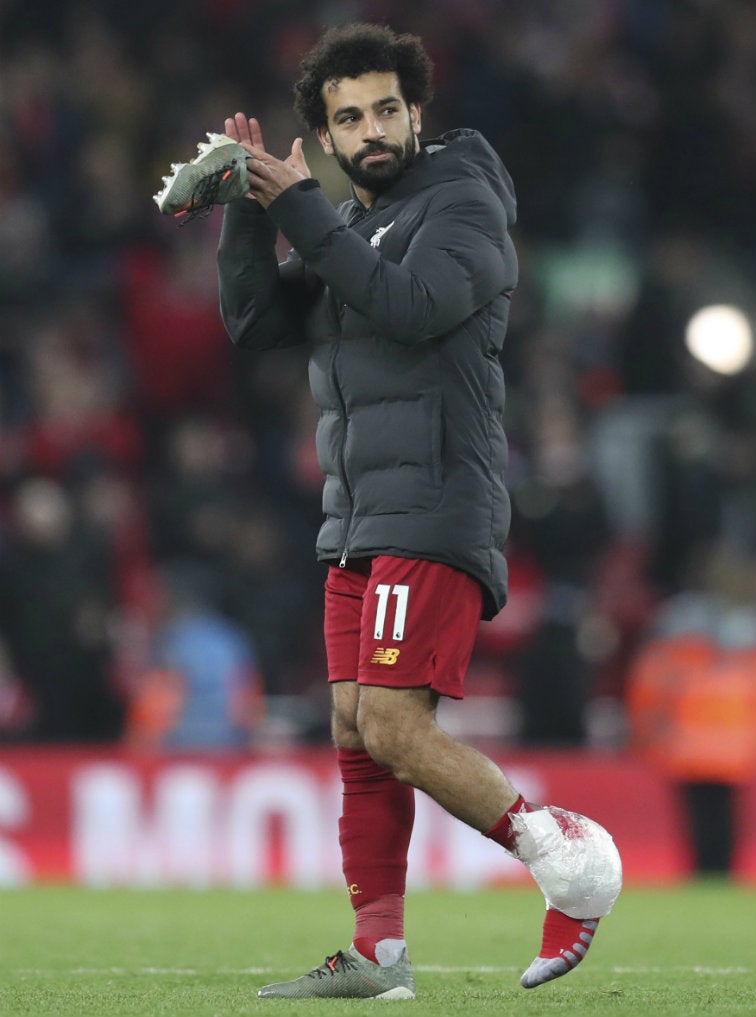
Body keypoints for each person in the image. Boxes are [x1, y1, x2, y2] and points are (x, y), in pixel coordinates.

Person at [157, 22, 622, 1000]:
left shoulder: (461, 199)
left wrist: (300, 209)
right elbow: (255, 326)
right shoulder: (354, 223)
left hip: (438, 504)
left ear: (416, 112)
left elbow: (411, 307)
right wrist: (251, 205)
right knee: (353, 730)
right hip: (360, 513)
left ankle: (568, 858)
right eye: (345, 119)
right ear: (323, 139)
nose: (369, 130)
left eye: (383, 109)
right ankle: (378, 954)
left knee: (395, 725)